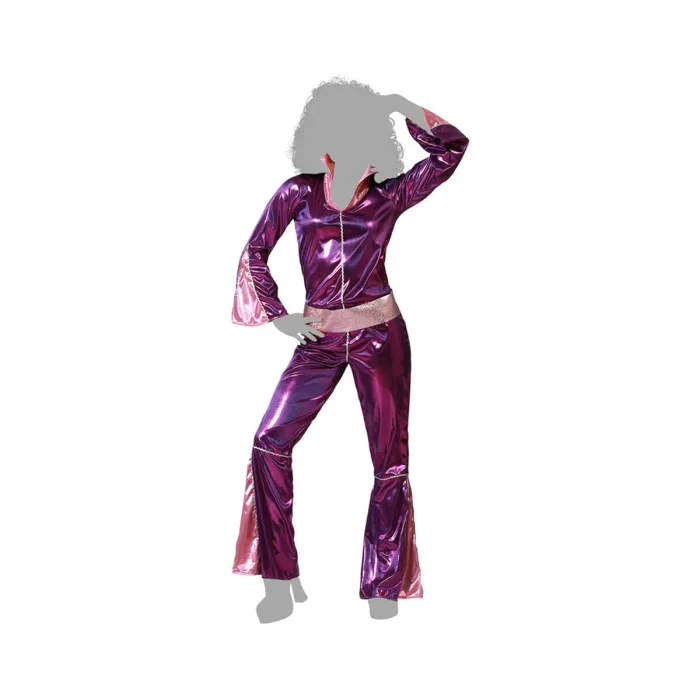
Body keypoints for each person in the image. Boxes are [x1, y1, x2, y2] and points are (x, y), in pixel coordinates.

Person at [230, 78, 469, 622]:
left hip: (380, 336)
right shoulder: (297, 192)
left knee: (390, 461)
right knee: (269, 442)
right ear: (321, 134)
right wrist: (279, 315)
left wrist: (404, 107)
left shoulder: (390, 196)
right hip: (318, 340)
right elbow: (255, 252)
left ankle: (383, 586)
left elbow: (453, 150)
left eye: (361, 129)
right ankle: (279, 580)